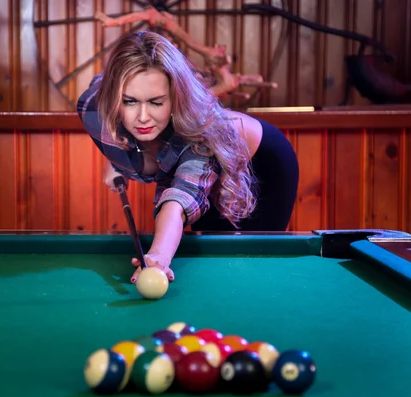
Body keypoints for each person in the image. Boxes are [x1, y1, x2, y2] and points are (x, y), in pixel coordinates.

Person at [76, 31, 299, 284]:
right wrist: (115, 155)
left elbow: (179, 200)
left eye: (156, 102)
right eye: (129, 101)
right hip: (201, 156)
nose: (142, 117)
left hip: (260, 160)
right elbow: (105, 91)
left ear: (176, 98)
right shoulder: (93, 108)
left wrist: (158, 258)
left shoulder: (200, 135)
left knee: (245, 264)